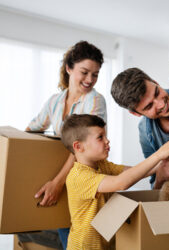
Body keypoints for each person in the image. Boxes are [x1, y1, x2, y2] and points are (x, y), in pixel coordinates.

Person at [18, 41, 107, 249]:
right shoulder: (54, 101)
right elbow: (32, 129)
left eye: (95, 74)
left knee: (74, 236)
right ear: (69, 68)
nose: (90, 80)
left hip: (83, 177)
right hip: (61, 171)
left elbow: (83, 148)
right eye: (84, 72)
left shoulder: (95, 101)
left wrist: (57, 183)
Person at [61, 114, 169, 250]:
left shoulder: (102, 165)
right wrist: (158, 154)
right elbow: (122, 182)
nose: (107, 141)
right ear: (78, 146)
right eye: (100, 137)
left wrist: (163, 166)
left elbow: (134, 171)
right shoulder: (78, 176)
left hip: (106, 244)